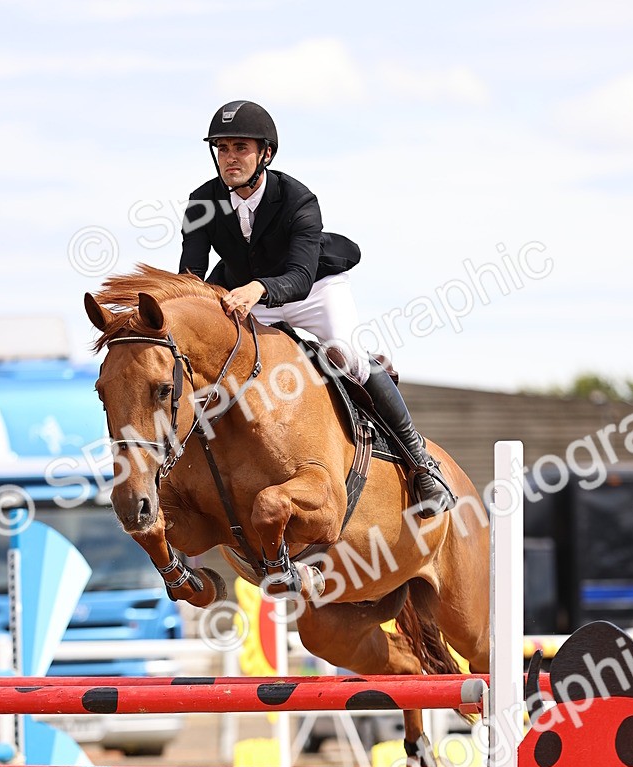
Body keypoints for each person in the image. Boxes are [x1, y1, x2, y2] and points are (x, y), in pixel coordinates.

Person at [179, 100, 455, 517]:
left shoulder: (298, 199)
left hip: (312, 289)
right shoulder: (202, 202)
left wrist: (257, 288)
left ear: (265, 154)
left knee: (345, 354)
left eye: (240, 147)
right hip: (246, 292)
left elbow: (298, 278)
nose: (229, 157)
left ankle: (420, 465)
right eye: (221, 148)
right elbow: (189, 279)